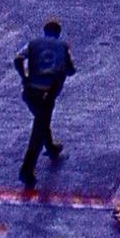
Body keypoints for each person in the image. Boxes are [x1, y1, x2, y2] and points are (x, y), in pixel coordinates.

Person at [13, 18, 75, 185]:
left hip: (30, 90)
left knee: (41, 120)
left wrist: (25, 77)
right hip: (47, 91)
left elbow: (18, 59)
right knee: (38, 128)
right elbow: (70, 70)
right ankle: (27, 167)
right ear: (58, 33)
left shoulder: (32, 44)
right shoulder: (63, 46)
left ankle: (51, 146)